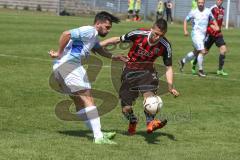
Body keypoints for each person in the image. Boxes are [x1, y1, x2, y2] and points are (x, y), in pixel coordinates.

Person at [49, 11, 128, 144]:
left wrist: (115, 57)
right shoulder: (89, 30)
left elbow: (98, 49)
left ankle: (98, 133)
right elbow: (66, 34)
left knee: (79, 103)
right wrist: (59, 52)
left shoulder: (94, 36)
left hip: (60, 68)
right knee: (88, 99)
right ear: (98, 24)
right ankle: (98, 137)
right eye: (107, 27)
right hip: (70, 66)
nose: (108, 30)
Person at [100, 18, 179, 135]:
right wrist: (98, 45)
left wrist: (170, 86)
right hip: (129, 72)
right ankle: (133, 121)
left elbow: (168, 67)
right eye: (156, 34)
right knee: (126, 108)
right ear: (152, 29)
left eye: (161, 36)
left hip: (147, 74)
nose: (157, 37)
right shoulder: (138, 34)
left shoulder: (165, 45)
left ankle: (150, 123)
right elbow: (117, 39)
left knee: (151, 99)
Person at [179, 0, 219, 77]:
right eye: (199, 3)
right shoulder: (193, 12)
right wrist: (185, 30)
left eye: (202, 3)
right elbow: (185, 20)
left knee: (196, 52)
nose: (200, 4)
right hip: (195, 34)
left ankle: (183, 61)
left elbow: (213, 19)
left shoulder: (208, 11)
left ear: (204, 3)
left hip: (203, 36)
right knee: (202, 51)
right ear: (197, 3)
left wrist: (216, 26)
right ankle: (200, 71)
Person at [191, 0, 228, 76]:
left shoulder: (222, 10)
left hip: (218, 34)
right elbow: (206, 20)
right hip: (210, 34)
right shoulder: (212, 9)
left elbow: (219, 20)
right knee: (204, 52)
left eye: (221, 0)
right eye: (218, 0)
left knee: (223, 49)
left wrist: (221, 24)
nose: (219, 1)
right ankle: (194, 63)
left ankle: (220, 70)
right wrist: (213, 26)